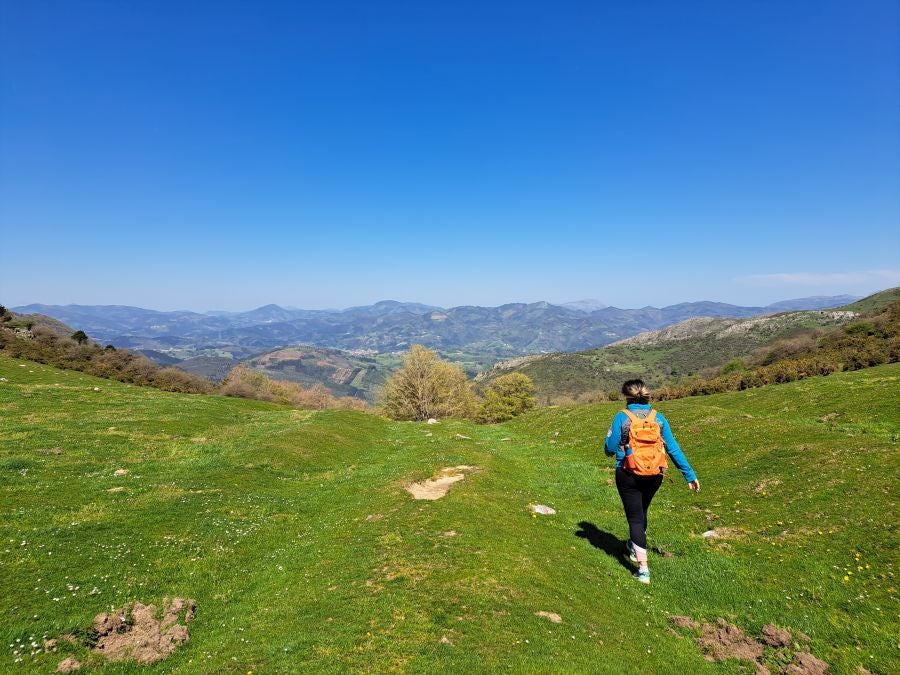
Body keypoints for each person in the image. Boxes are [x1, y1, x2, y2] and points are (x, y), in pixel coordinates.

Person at [604, 379, 700, 584]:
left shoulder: (622, 417)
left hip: (627, 473)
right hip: (655, 475)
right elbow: (673, 448)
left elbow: (609, 449)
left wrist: (610, 440)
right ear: (647, 396)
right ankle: (633, 545)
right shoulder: (659, 418)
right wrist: (689, 475)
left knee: (635, 518)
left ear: (626, 397)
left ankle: (643, 569)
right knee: (642, 510)